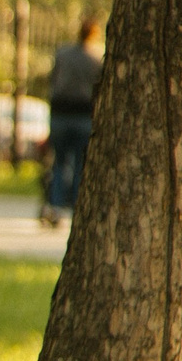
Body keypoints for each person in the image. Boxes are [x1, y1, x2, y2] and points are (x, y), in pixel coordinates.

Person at [39, 18, 103, 228]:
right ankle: (76, 205)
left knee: (59, 161)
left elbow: (53, 80)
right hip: (83, 114)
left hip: (60, 113)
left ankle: (55, 205)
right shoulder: (96, 58)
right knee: (79, 163)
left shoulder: (63, 54)